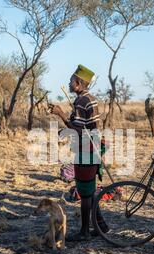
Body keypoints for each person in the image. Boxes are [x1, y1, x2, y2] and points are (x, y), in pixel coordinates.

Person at [49, 65, 109, 242]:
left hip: (86, 149)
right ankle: (101, 225)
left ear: (78, 83)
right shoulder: (89, 99)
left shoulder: (82, 101)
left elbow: (79, 130)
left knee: (85, 193)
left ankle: (84, 231)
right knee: (88, 190)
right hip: (92, 147)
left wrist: (61, 115)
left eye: (71, 81)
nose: (68, 83)